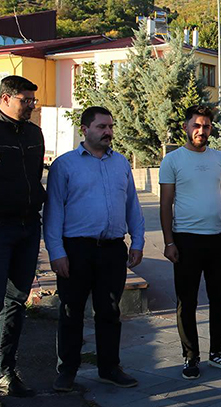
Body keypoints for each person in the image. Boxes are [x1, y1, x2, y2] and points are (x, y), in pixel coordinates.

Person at [44, 106, 144, 392]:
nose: (108, 132)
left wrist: (137, 241)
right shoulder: (65, 165)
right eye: (101, 127)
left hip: (112, 250)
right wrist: (56, 252)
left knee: (110, 311)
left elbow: (132, 205)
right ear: (85, 129)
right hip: (76, 250)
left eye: (110, 126)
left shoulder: (121, 163)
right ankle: (67, 371)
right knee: (71, 311)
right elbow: (53, 212)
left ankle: (109, 367)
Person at [0, 76, 46, 406]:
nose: (32, 105)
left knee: (15, 302)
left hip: (28, 229)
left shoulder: (34, 133)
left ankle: (5, 372)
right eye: (25, 100)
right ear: (5, 98)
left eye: (33, 100)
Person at [160, 105, 221, 380]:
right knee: (188, 300)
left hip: (219, 238)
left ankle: (217, 350)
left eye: (206, 126)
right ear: (186, 127)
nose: (201, 130)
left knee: (220, 298)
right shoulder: (172, 160)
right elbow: (166, 203)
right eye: (196, 125)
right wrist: (169, 242)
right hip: (186, 240)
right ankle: (190, 355)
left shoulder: (218, 157)